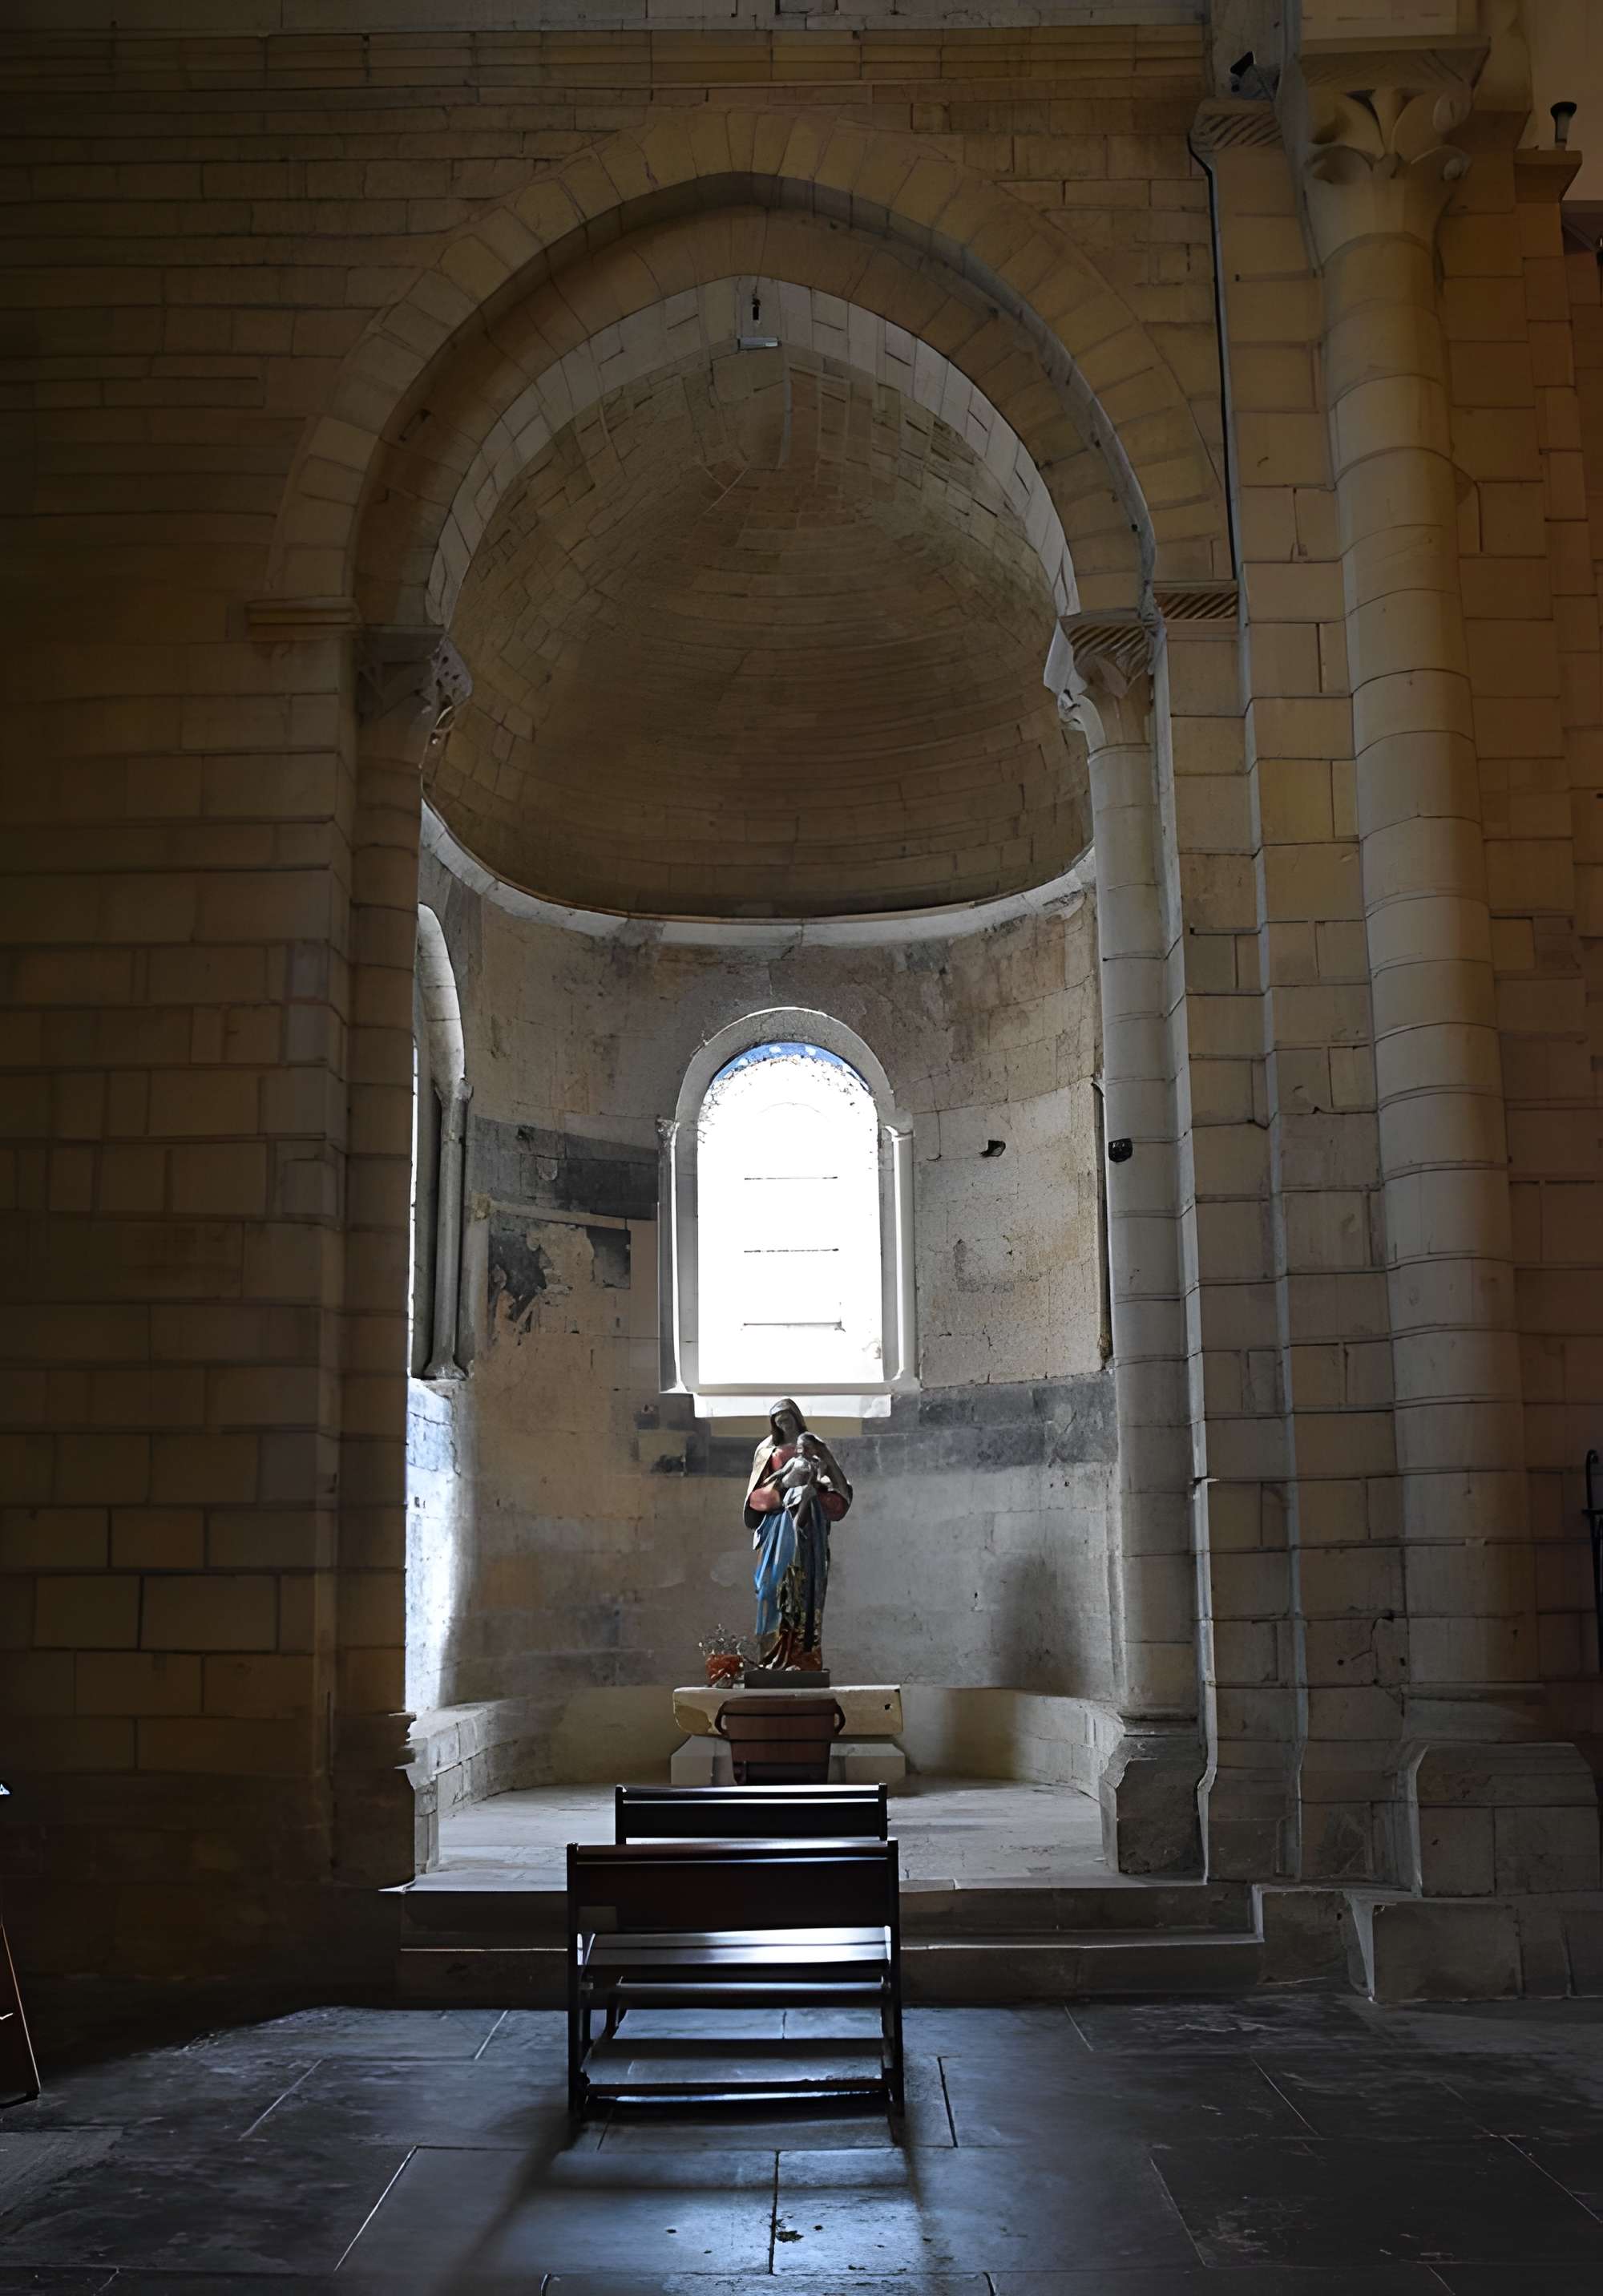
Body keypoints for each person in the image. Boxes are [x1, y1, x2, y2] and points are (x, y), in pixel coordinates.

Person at [745, 1397, 853, 1671]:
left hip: (808, 1528)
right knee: (770, 1588)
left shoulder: (814, 1447)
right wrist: (784, 1492)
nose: (784, 1424)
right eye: (778, 1421)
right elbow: (756, 1497)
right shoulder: (766, 1451)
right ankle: (770, 1657)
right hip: (776, 1527)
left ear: (796, 1417)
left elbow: (836, 1490)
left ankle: (803, 1658)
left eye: (787, 1418)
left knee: (804, 1590)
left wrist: (813, 1490)